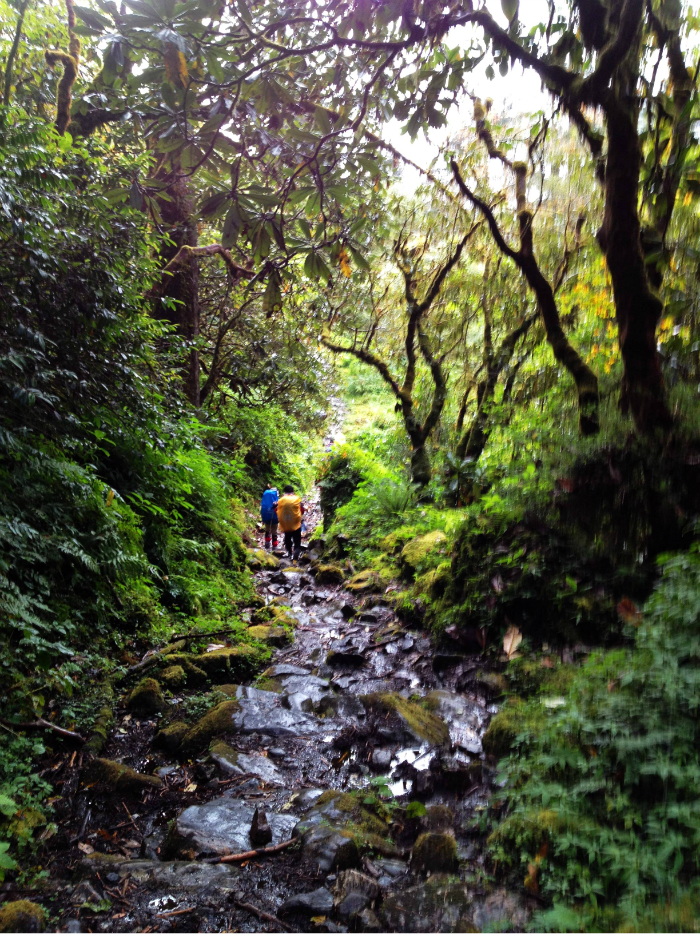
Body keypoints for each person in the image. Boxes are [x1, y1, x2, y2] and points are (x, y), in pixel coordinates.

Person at [276, 484, 305, 560]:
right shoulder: (296, 499)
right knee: (297, 539)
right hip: (296, 523)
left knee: (287, 538)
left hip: (286, 523)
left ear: (285, 492)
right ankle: (296, 552)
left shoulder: (281, 500)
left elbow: (276, 510)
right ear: (293, 491)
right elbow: (302, 510)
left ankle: (289, 552)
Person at [260, 483, 279, 550]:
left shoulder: (266, 496)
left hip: (266, 515)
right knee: (274, 531)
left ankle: (267, 543)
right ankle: (274, 545)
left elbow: (262, 507)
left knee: (267, 529)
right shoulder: (276, 498)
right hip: (275, 516)